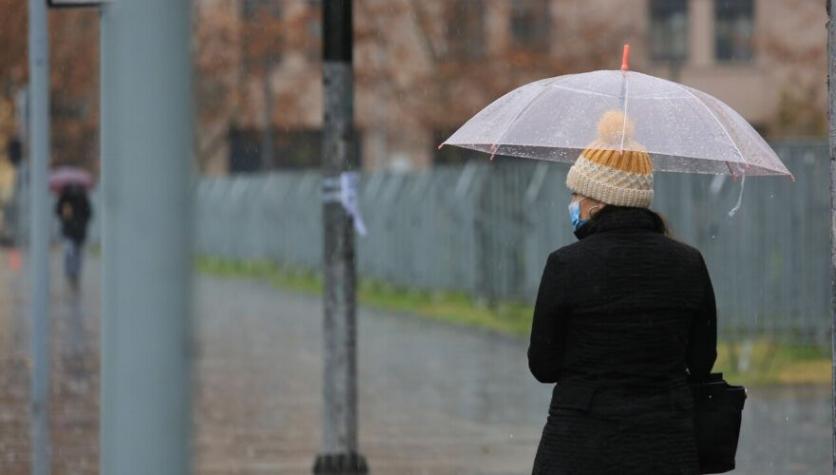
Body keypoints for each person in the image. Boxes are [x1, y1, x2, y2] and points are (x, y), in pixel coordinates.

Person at [528, 111, 717, 475]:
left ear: (599, 201)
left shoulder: (566, 264)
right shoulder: (688, 262)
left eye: (577, 194)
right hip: (666, 447)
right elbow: (701, 360)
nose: (573, 203)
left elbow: (543, 366)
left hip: (579, 446)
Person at [55, 183, 92, 288]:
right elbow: (58, 211)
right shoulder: (66, 198)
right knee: (71, 253)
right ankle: (71, 274)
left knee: (75, 254)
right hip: (71, 232)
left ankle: (74, 274)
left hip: (77, 232)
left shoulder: (80, 197)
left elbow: (88, 213)